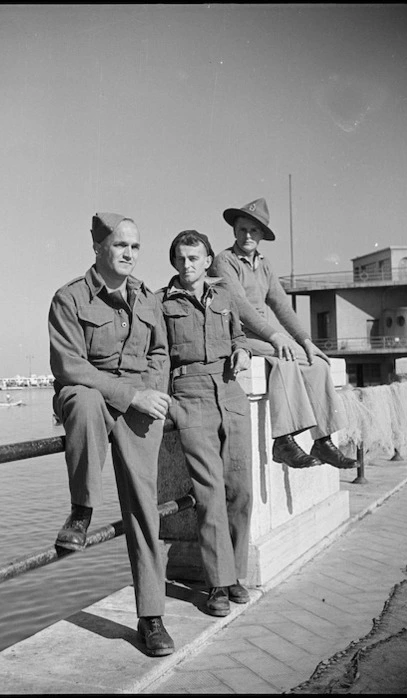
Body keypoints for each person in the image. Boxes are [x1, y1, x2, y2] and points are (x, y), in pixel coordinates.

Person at [48, 211, 174, 657]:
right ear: (98, 248)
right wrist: (128, 395)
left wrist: (152, 394)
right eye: (121, 245)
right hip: (90, 396)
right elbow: (71, 366)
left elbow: (160, 352)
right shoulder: (70, 298)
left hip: (138, 402)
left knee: (144, 505)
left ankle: (151, 617)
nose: (129, 254)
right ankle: (81, 510)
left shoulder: (146, 297)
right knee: (83, 401)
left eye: (136, 246)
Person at [208, 198, 356, 469]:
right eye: (242, 229)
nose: (248, 235)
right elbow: (238, 305)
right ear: (234, 231)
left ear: (262, 235)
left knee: (318, 364)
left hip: (263, 335)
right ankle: (284, 441)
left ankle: (323, 441)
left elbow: (281, 305)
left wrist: (306, 341)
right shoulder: (224, 261)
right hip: (238, 335)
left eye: (254, 231)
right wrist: (275, 336)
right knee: (284, 358)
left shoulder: (264, 264)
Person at [157, 230, 253, 617]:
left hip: (230, 392)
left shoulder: (225, 295)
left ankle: (235, 576)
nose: (188, 265)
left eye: (195, 258)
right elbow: (157, 354)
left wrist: (243, 350)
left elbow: (239, 334)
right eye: (181, 258)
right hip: (190, 394)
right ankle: (216, 584)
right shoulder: (160, 303)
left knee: (240, 489)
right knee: (210, 493)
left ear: (208, 259)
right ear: (174, 262)